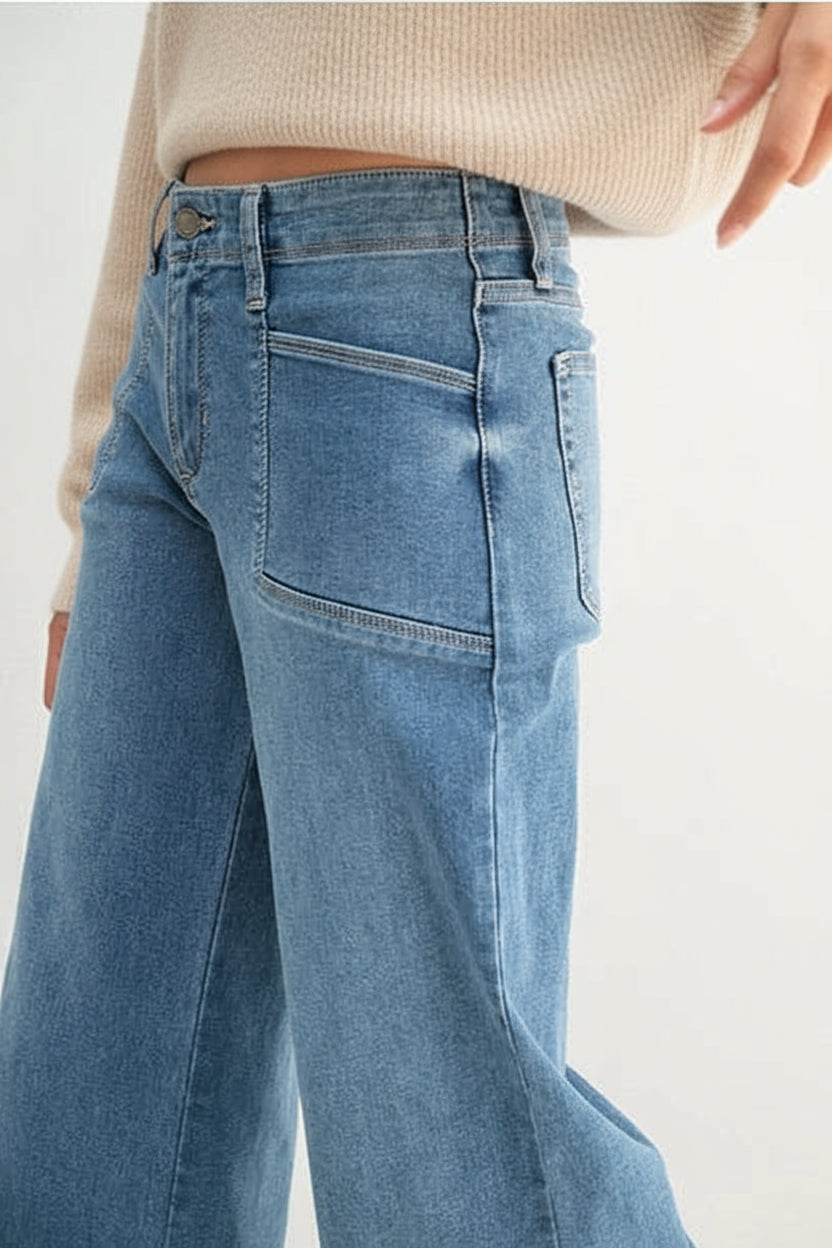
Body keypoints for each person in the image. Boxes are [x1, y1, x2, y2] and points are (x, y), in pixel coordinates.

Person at [2, 3, 831, 1246]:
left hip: (404, 303)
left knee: (450, 1152)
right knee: (87, 1130)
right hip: (177, 331)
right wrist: (95, 477)